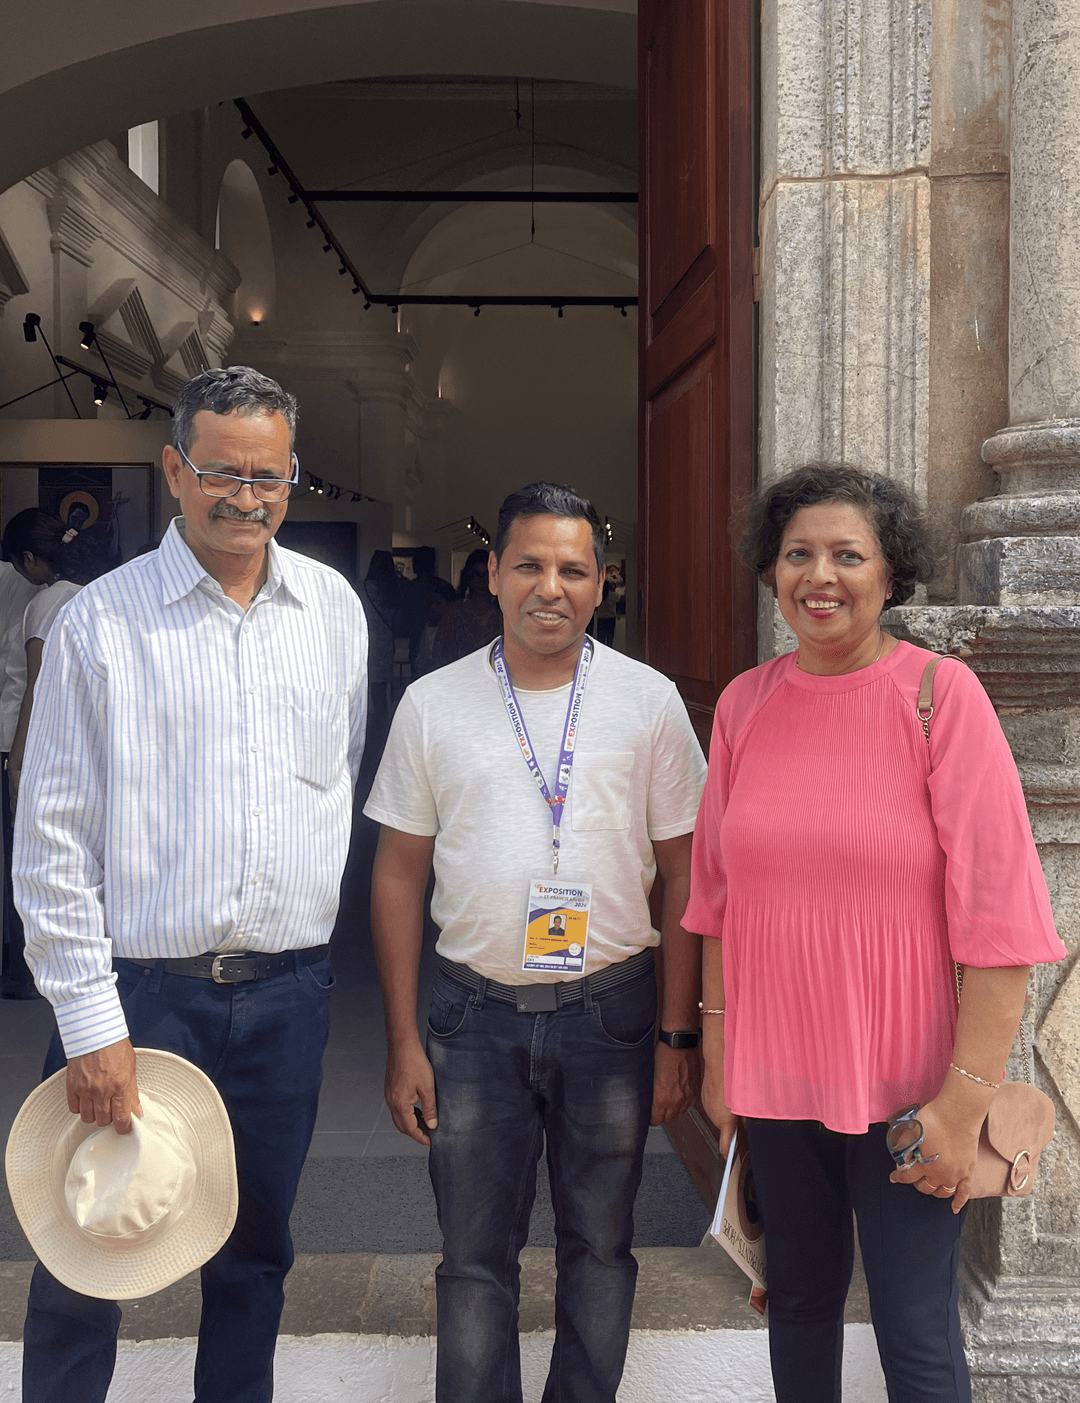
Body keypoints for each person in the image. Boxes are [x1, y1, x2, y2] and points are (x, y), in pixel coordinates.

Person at [14, 365, 367, 1403]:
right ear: (175, 469)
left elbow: (334, 773)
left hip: (287, 997)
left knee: (255, 1257)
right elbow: (52, 841)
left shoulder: (332, 611)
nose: (246, 498)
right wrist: (89, 1022)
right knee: (83, 1257)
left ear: (291, 477)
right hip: (141, 994)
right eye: (221, 473)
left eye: (269, 476)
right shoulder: (101, 625)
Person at [682, 463, 1066, 1403]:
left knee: (915, 1328)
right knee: (800, 1306)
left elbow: (1002, 922)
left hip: (912, 1091)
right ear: (770, 572)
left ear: (891, 573)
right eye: (798, 554)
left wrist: (963, 1098)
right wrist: (721, 1053)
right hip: (777, 1078)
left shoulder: (941, 698)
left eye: (848, 555)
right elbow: (717, 898)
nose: (821, 575)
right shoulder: (744, 705)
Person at [365, 481, 708, 1403]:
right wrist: (404, 1042)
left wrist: (680, 1037)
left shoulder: (649, 702)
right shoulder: (433, 705)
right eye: (529, 564)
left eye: (572, 568)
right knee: (473, 1255)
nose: (548, 586)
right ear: (493, 574)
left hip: (616, 1012)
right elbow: (397, 874)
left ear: (604, 584)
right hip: (471, 1014)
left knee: (601, 1243)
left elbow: (684, 877)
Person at [7, 519, 115, 805]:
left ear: (28, 560)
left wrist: (16, 762)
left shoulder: (47, 602)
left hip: (30, 740)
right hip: (81, 744)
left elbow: (36, 686)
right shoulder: (101, 599)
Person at [431, 546, 503, 669]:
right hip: (458, 675)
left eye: (485, 574)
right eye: (477, 574)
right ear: (468, 577)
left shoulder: (502, 612)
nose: (481, 580)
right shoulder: (454, 610)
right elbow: (440, 651)